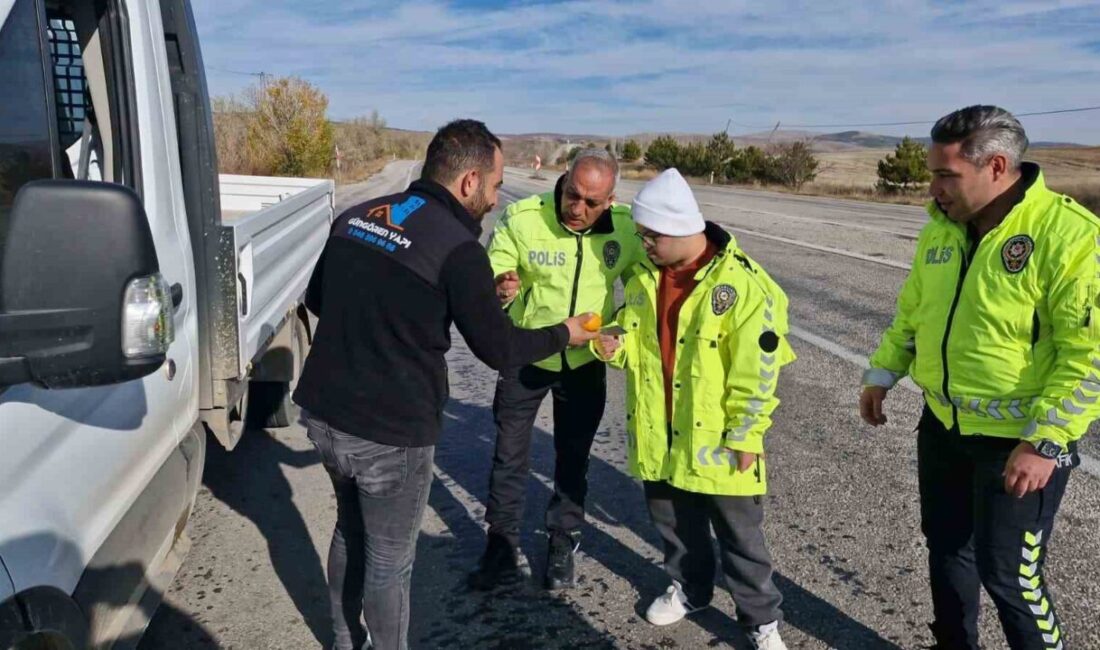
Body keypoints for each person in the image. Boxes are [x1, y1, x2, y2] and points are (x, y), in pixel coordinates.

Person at [293, 119, 599, 650]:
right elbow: (500, 349)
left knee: (350, 531)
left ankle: (345, 641)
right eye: (495, 185)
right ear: (468, 181)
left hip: (324, 415)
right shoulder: (458, 247)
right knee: (389, 562)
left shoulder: (357, 216)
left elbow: (319, 299)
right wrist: (565, 333)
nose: (496, 198)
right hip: (390, 431)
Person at [860, 105, 1099, 650]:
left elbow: (1089, 356)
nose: (933, 188)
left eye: (946, 175)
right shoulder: (941, 230)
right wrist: (883, 372)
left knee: (1010, 576)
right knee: (946, 548)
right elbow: (914, 312)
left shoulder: (1068, 236)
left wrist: (1045, 440)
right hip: (943, 425)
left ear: (995, 166)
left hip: (1019, 440)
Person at [595, 168, 794, 650]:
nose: (643, 244)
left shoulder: (743, 285)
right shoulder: (644, 278)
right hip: (660, 430)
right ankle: (691, 590)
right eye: (641, 235)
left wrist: (746, 432)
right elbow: (636, 337)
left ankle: (760, 620)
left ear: (680, 228)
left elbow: (759, 371)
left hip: (720, 439)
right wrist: (614, 345)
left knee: (741, 538)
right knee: (675, 526)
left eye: (651, 236)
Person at [468, 149, 644, 590]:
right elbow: (494, 270)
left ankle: (562, 538)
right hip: (527, 354)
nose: (577, 208)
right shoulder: (525, 218)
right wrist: (501, 287)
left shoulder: (625, 229)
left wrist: (622, 330)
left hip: (583, 363)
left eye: (591, 202)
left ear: (610, 200)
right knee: (509, 455)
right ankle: (501, 544)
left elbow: (645, 288)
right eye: (572, 195)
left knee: (573, 456)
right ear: (564, 180)